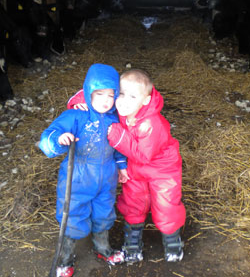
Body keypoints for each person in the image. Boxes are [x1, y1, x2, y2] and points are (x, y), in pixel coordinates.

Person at [67, 68, 186, 263]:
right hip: (134, 167)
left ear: (145, 100)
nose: (123, 100)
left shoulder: (151, 123)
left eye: (132, 96)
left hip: (162, 169)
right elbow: (95, 93)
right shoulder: (122, 107)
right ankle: (133, 236)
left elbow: (143, 154)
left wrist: (118, 136)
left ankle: (172, 237)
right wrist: (79, 101)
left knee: (166, 202)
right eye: (120, 94)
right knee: (133, 200)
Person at [39, 63, 127, 277]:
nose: (106, 101)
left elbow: (119, 146)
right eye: (99, 94)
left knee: (104, 212)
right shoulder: (76, 116)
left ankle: (102, 248)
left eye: (110, 95)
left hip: (106, 178)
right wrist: (59, 140)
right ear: (88, 92)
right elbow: (47, 137)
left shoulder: (115, 119)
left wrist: (122, 167)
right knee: (72, 214)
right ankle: (65, 258)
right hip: (77, 177)